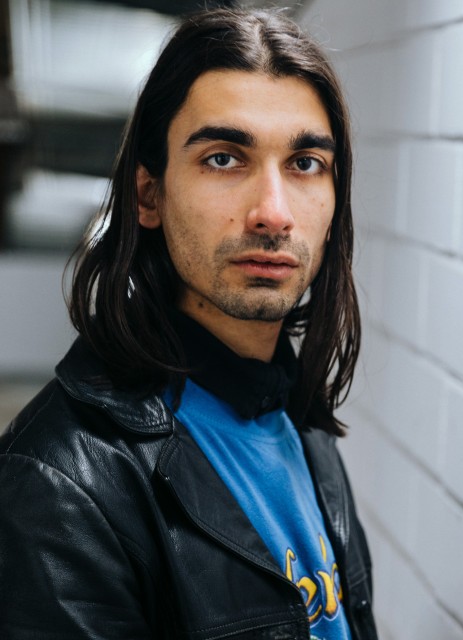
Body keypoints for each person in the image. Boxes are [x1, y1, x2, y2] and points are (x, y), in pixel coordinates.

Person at [0, 8, 378, 640]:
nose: (273, 213)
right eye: (224, 158)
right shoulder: (58, 485)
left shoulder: (299, 420)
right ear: (149, 195)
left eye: (305, 163)